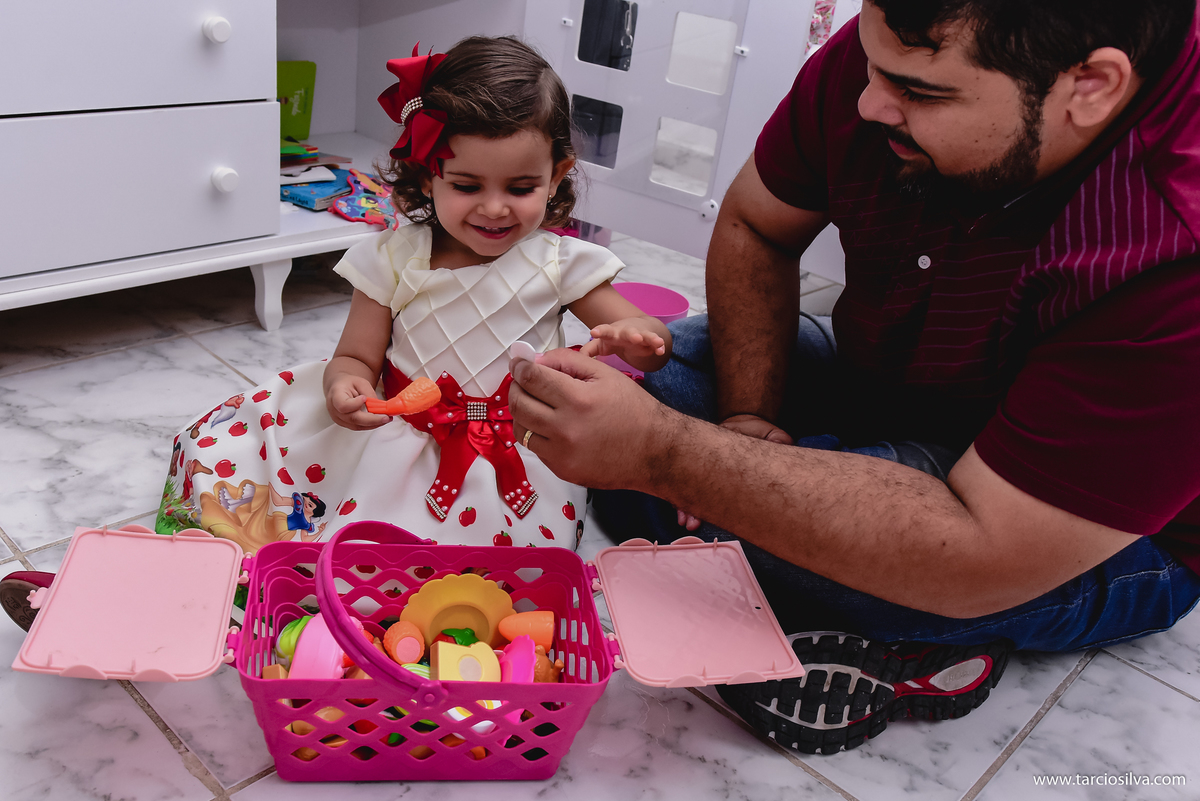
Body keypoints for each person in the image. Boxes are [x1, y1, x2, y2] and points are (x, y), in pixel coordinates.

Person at [509, 0, 1200, 754]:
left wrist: (670, 457)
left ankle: (889, 628)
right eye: (871, 64)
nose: (871, 101)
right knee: (632, 379)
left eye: (921, 94)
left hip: (1058, 527)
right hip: (890, 389)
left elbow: (983, 547)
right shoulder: (909, 45)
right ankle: (799, 566)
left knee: (687, 485)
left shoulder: (1173, 244)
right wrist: (744, 422)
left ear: (1091, 84)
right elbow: (754, 225)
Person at [158, 35, 670, 553]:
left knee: (507, 573)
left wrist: (638, 338)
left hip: (514, 451)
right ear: (429, 176)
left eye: (520, 188)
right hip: (400, 437)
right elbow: (356, 356)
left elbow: (650, 342)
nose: (494, 209)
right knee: (358, 545)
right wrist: (346, 388)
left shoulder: (562, 264)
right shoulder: (395, 258)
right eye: (467, 186)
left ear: (556, 175)